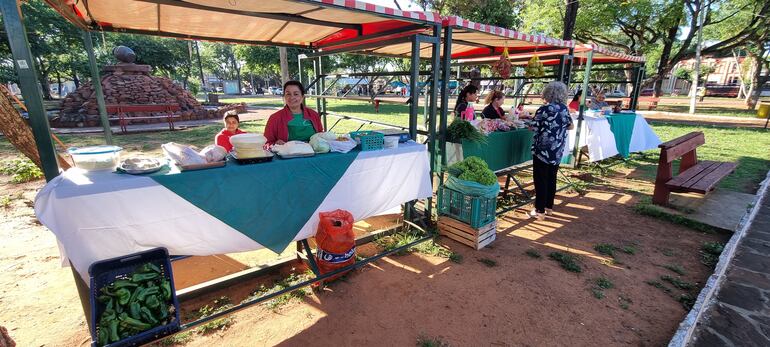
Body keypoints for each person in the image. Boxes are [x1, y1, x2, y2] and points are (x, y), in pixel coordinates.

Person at [529, 81, 574, 220]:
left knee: (540, 179)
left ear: (548, 93)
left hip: (543, 150)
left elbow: (533, 127)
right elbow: (570, 126)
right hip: (557, 149)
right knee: (551, 178)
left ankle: (539, 210)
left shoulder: (544, 109)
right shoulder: (564, 109)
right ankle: (548, 207)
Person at [264, 80, 323, 145]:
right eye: (288, 94)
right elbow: (267, 142)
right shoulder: (275, 118)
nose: (292, 97)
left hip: (314, 154)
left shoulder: (313, 115)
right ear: (284, 97)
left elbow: (320, 137)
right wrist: (275, 144)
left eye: (296, 94)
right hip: (287, 154)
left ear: (302, 97)